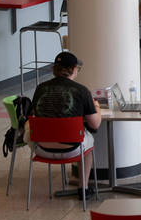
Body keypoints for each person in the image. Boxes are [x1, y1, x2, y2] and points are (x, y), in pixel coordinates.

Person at [30, 51, 101, 200]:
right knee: (88, 140)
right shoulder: (81, 91)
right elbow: (94, 124)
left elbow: (34, 115)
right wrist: (97, 108)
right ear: (74, 69)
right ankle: (84, 188)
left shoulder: (40, 88)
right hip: (72, 149)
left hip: (41, 148)